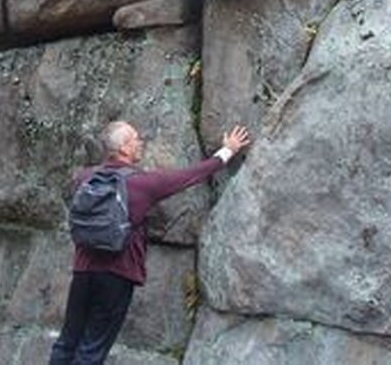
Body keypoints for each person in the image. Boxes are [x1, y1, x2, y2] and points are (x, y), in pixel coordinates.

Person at [48, 120, 252, 364]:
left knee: (67, 341)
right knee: (92, 348)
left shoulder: (84, 178)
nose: (140, 142)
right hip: (116, 275)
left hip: (83, 271)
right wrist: (228, 150)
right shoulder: (141, 184)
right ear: (123, 148)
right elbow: (190, 176)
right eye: (135, 139)